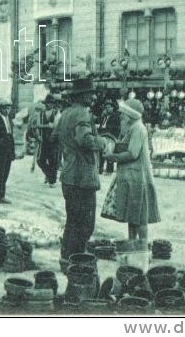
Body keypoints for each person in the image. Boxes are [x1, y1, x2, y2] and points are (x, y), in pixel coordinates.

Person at [54, 77, 113, 272]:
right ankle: (76, 262)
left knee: (73, 221)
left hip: (69, 174)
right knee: (85, 224)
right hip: (81, 177)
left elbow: (55, 136)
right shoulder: (81, 114)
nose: (94, 96)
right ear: (83, 96)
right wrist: (103, 142)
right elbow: (85, 140)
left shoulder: (66, 113)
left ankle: (66, 258)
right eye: (91, 93)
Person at [100, 98, 160, 242]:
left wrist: (112, 157)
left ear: (130, 115)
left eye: (123, 115)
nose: (121, 117)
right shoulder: (131, 128)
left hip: (138, 179)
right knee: (132, 217)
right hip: (131, 177)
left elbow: (132, 153)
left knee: (140, 218)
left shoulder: (138, 128)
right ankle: (132, 246)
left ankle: (143, 248)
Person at [35, 96, 61, 187]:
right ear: (45, 104)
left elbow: (55, 126)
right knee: (40, 160)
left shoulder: (57, 113)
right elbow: (37, 125)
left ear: (53, 104)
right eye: (48, 103)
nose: (49, 104)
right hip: (43, 140)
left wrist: (43, 126)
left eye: (51, 103)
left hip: (54, 140)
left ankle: (52, 181)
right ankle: (49, 175)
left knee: (53, 160)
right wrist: (38, 135)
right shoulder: (41, 114)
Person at [96, 100, 121, 175]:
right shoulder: (104, 117)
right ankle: (99, 169)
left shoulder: (115, 116)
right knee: (100, 152)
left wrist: (103, 131)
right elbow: (100, 126)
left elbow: (112, 128)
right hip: (103, 136)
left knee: (109, 152)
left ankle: (109, 170)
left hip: (111, 137)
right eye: (106, 107)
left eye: (109, 107)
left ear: (113, 108)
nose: (107, 109)